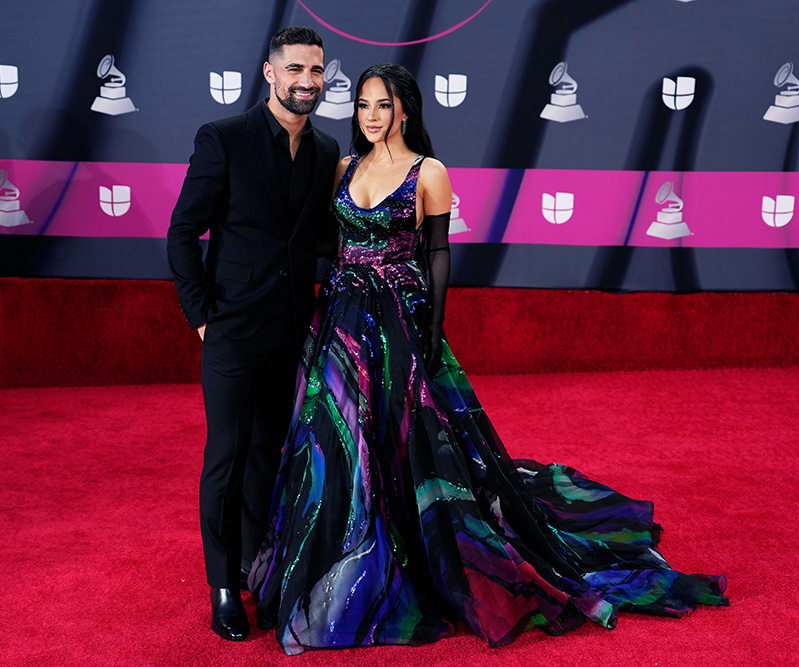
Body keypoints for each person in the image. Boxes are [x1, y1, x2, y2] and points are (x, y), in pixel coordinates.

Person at [248, 63, 728, 655]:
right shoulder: (344, 168)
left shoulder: (430, 172)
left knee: (409, 442)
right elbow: (328, 241)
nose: (370, 117)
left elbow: (439, 253)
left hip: (401, 319)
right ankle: (330, 561)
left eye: (382, 106)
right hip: (343, 320)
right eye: (363, 106)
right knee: (333, 439)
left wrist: (431, 326)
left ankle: (413, 556)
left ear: (406, 111)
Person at [167, 26, 340, 642]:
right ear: (270, 74)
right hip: (234, 329)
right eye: (295, 69)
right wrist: (202, 315)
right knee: (227, 455)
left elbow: (315, 236)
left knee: (271, 453)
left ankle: (254, 567)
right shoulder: (224, 139)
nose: (307, 82)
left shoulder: (326, 149)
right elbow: (182, 232)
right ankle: (221, 585)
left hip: (294, 329)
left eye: (316, 71)